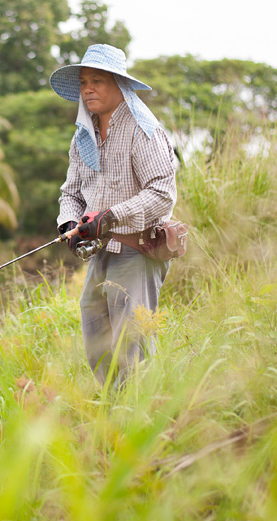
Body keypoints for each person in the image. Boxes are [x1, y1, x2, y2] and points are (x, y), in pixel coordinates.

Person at [50, 44, 177, 387]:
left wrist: (111, 216)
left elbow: (162, 192)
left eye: (97, 81)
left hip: (136, 250)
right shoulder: (82, 138)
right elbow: (70, 192)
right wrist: (69, 223)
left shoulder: (142, 130)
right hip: (99, 253)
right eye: (83, 83)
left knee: (132, 345)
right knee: (95, 335)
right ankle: (109, 415)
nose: (87, 88)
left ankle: (140, 421)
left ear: (119, 85)